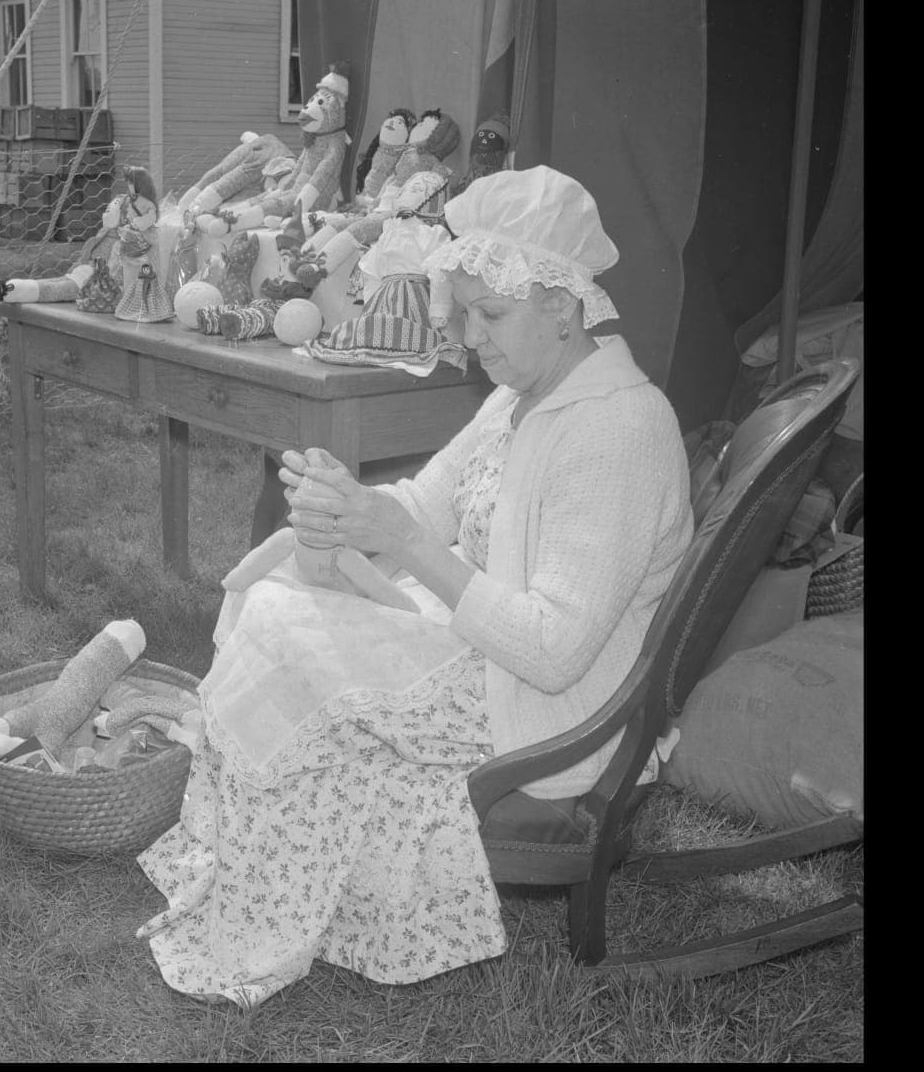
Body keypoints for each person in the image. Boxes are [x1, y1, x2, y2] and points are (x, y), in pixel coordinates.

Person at [136, 166, 694, 1007]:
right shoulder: (525, 396)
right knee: (280, 591)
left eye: (491, 314)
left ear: (563, 303)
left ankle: (255, 892)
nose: (473, 337)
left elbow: (552, 652)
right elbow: (427, 504)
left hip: (551, 714)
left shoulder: (619, 429)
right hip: (487, 656)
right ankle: (245, 876)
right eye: (465, 311)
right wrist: (351, 502)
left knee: (289, 628)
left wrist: (399, 542)